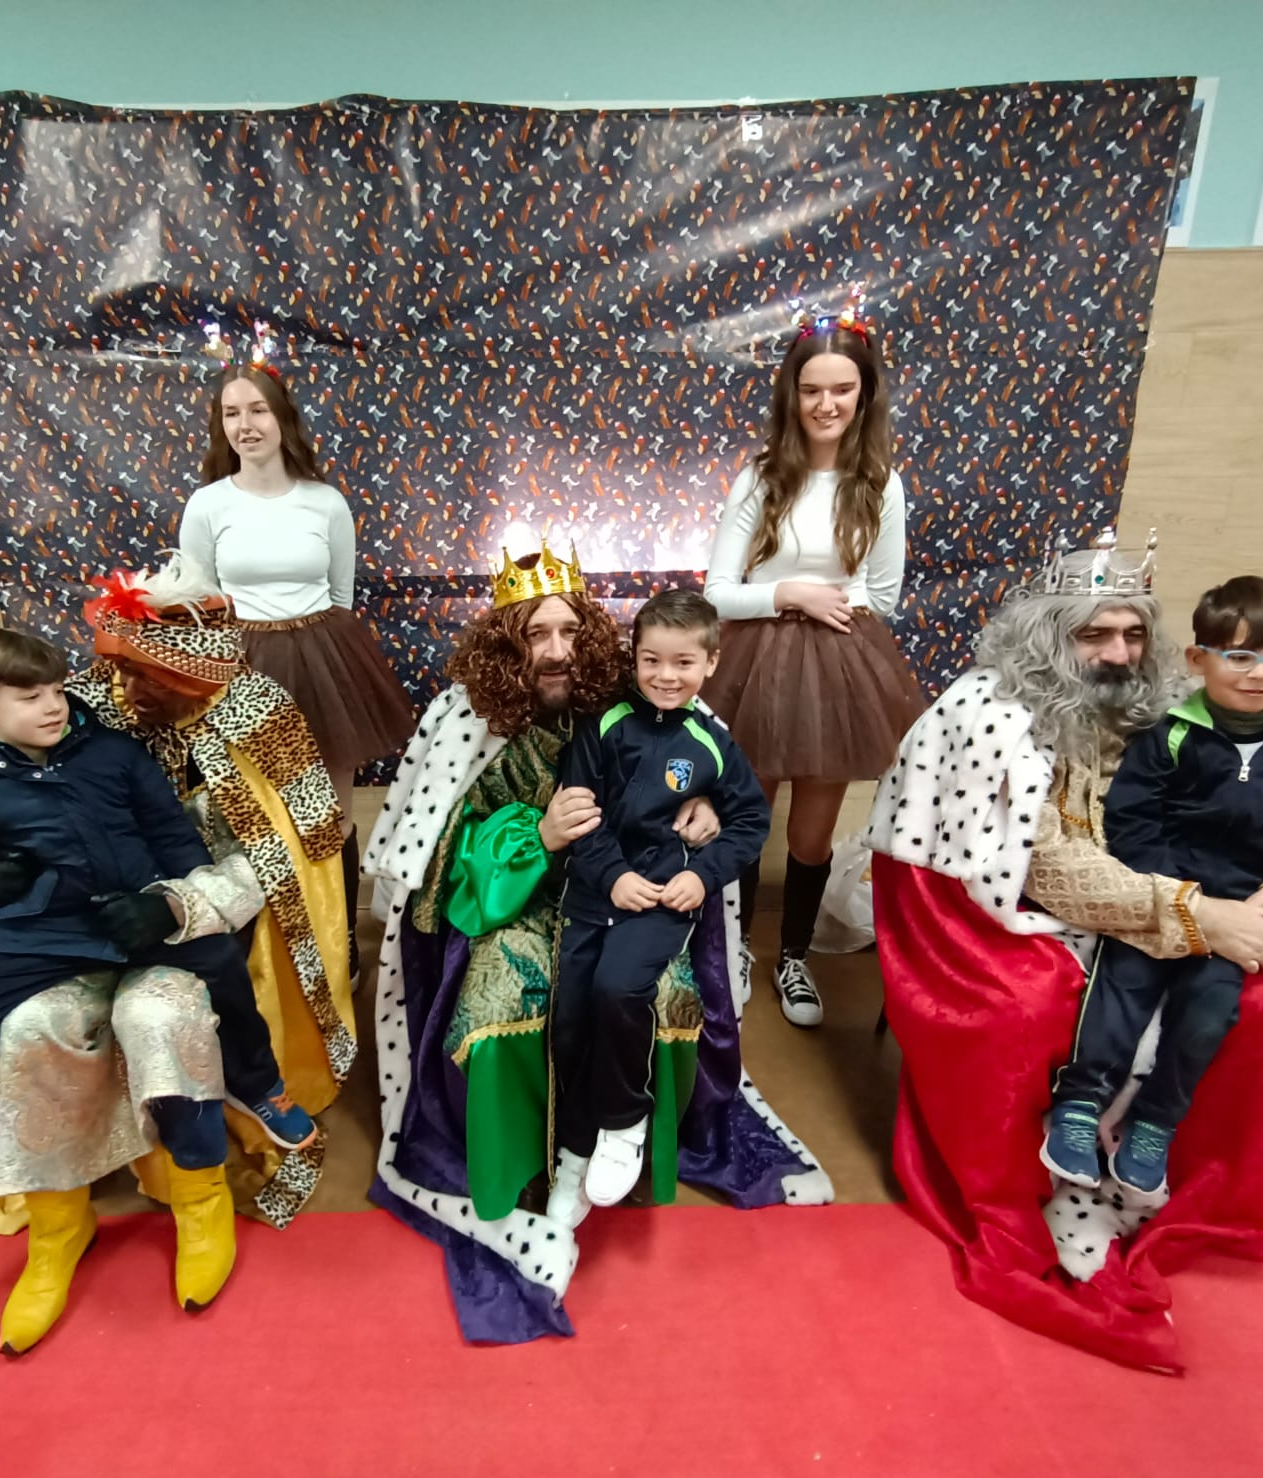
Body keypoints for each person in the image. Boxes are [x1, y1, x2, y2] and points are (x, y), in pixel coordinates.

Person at [851, 530, 1263, 1372]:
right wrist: (1197, 917)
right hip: (1011, 914)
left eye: (1133, 634)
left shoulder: (1190, 712)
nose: (1118, 655)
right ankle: (1042, 1183)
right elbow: (1043, 865)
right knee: (1031, 1004)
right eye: (1094, 634)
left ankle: (1174, 1175)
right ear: (1049, 634)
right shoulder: (988, 715)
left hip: (1173, 901)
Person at [364, 542, 831, 1344]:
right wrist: (537, 835)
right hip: (514, 905)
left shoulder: (635, 694)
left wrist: (708, 810)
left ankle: (622, 1144)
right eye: (535, 635)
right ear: (506, 643)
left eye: (569, 632)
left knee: (661, 992)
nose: (555, 652)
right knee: (499, 1002)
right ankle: (518, 1170)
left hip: (630, 897)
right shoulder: (464, 718)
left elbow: (709, 773)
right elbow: (441, 862)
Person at [0, 628, 304, 1350]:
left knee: (217, 971)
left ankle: (254, 1092)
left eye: (58, 690)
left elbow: (176, 840)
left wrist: (174, 901)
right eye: (31, 697)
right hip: (42, 940)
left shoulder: (114, 754)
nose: (55, 706)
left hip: (134, 920)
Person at [1043, 576, 1263, 1197]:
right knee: (1117, 998)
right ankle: (1079, 1105)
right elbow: (1131, 825)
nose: (1261, 674)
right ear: (1198, 659)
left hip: (1242, 915)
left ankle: (1156, 1122)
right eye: (1240, 657)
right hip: (1160, 905)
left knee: (1209, 1016)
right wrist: (1186, 903)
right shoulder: (1166, 736)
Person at [703, 306, 924, 1028]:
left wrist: (834, 603)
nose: (826, 404)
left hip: (839, 664)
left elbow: (882, 596)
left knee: (811, 834)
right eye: (811, 390)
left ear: (865, 394)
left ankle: (793, 956)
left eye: (842, 389)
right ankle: (735, 946)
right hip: (759, 661)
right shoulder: (762, 477)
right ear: (791, 396)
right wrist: (789, 594)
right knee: (749, 815)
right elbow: (718, 593)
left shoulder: (881, 483)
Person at [179, 349, 414, 966]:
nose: (245, 425)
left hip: (323, 660)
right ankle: (272, 956)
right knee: (252, 815)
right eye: (231, 413)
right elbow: (199, 599)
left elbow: (341, 593)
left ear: (282, 417)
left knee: (330, 814)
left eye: (257, 410)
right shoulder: (208, 505)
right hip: (243, 668)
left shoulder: (324, 501)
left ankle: (339, 949)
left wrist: (313, 642)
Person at [548, 589, 771, 1220]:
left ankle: (623, 1122)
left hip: (662, 902)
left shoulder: (713, 743)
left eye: (683, 662)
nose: (666, 676)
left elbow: (750, 822)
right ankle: (575, 1153)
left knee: (618, 988)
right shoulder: (603, 725)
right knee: (571, 1015)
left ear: (711, 663)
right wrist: (612, 875)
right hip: (596, 894)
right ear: (635, 657)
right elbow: (580, 812)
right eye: (652, 660)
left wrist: (702, 876)